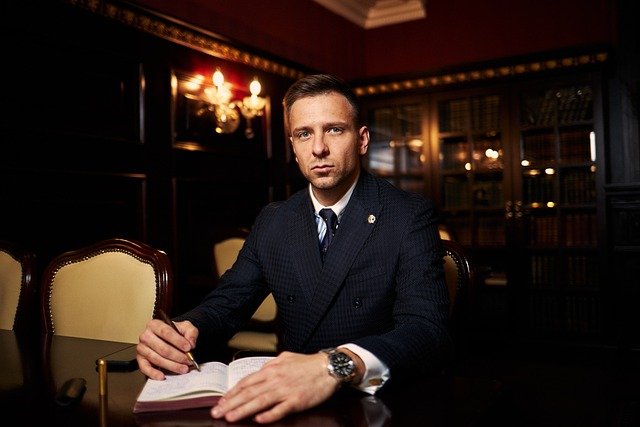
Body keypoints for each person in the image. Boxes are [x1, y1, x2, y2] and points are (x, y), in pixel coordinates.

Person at [136, 73, 451, 424]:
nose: (318, 148)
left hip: (371, 405)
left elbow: (426, 331)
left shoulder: (408, 214)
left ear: (362, 140)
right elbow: (228, 303)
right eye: (304, 134)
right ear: (293, 146)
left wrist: (334, 365)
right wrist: (186, 329)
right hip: (285, 404)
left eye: (334, 130)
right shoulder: (275, 220)